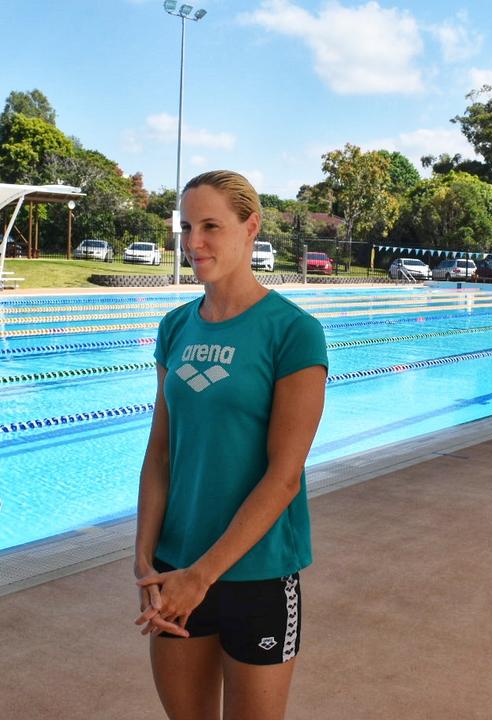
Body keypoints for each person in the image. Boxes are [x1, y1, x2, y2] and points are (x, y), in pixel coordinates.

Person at [134, 170, 328, 720]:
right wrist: (144, 558)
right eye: (187, 227)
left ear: (250, 228)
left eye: (211, 226)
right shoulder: (175, 328)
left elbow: (283, 475)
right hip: (175, 567)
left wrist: (204, 575)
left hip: (259, 572)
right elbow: (161, 453)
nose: (194, 243)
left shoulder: (292, 332)